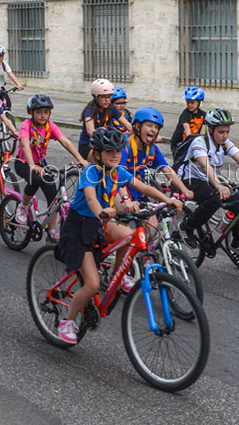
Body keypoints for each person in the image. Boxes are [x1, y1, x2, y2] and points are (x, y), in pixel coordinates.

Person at [55, 126, 183, 344]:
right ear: (97, 154)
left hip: (99, 224)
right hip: (79, 228)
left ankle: (119, 274)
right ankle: (67, 320)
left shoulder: (117, 172)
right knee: (93, 285)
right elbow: (91, 198)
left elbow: (142, 187)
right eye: (109, 151)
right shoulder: (90, 172)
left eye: (118, 150)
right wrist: (101, 212)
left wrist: (166, 199)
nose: (115, 154)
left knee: (129, 235)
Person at [177, 108, 239, 254]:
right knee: (214, 199)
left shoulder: (224, 143)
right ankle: (187, 227)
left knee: (237, 201)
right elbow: (205, 165)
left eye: (227, 131)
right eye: (221, 132)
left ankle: (238, 243)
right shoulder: (200, 142)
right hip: (190, 179)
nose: (225, 136)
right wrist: (219, 185)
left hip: (208, 179)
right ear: (210, 129)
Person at [15, 94, 89, 241]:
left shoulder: (50, 126)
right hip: (23, 163)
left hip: (41, 164)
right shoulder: (26, 125)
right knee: (35, 179)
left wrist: (81, 160)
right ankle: (23, 206)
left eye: (46, 112)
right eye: (39, 112)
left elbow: (65, 142)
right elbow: (24, 144)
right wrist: (32, 165)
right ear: (31, 113)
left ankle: (51, 230)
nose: (43, 115)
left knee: (54, 196)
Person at [120, 107, 193, 202]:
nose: (153, 130)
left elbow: (167, 169)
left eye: (156, 127)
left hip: (139, 192)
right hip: (121, 192)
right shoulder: (124, 147)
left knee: (153, 216)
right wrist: (126, 200)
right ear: (138, 127)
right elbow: (117, 176)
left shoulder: (152, 149)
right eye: (149, 125)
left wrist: (184, 190)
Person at [77, 78, 132, 159]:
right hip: (89, 145)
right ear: (96, 97)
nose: (107, 100)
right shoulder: (90, 109)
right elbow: (90, 131)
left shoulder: (111, 108)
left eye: (109, 97)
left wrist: (142, 135)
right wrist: (106, 139)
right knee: (104, 163)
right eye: (103, 97)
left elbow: (127, 125)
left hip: (105, 145)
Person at [170, 86, 206, 154]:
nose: (189, 105)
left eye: (192, 102)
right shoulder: (185, 114)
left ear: (199, 102)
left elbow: (210, 123)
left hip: (192, 142)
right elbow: (187, 130)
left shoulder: (202, 114)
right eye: (187, 102)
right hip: (179, 144)